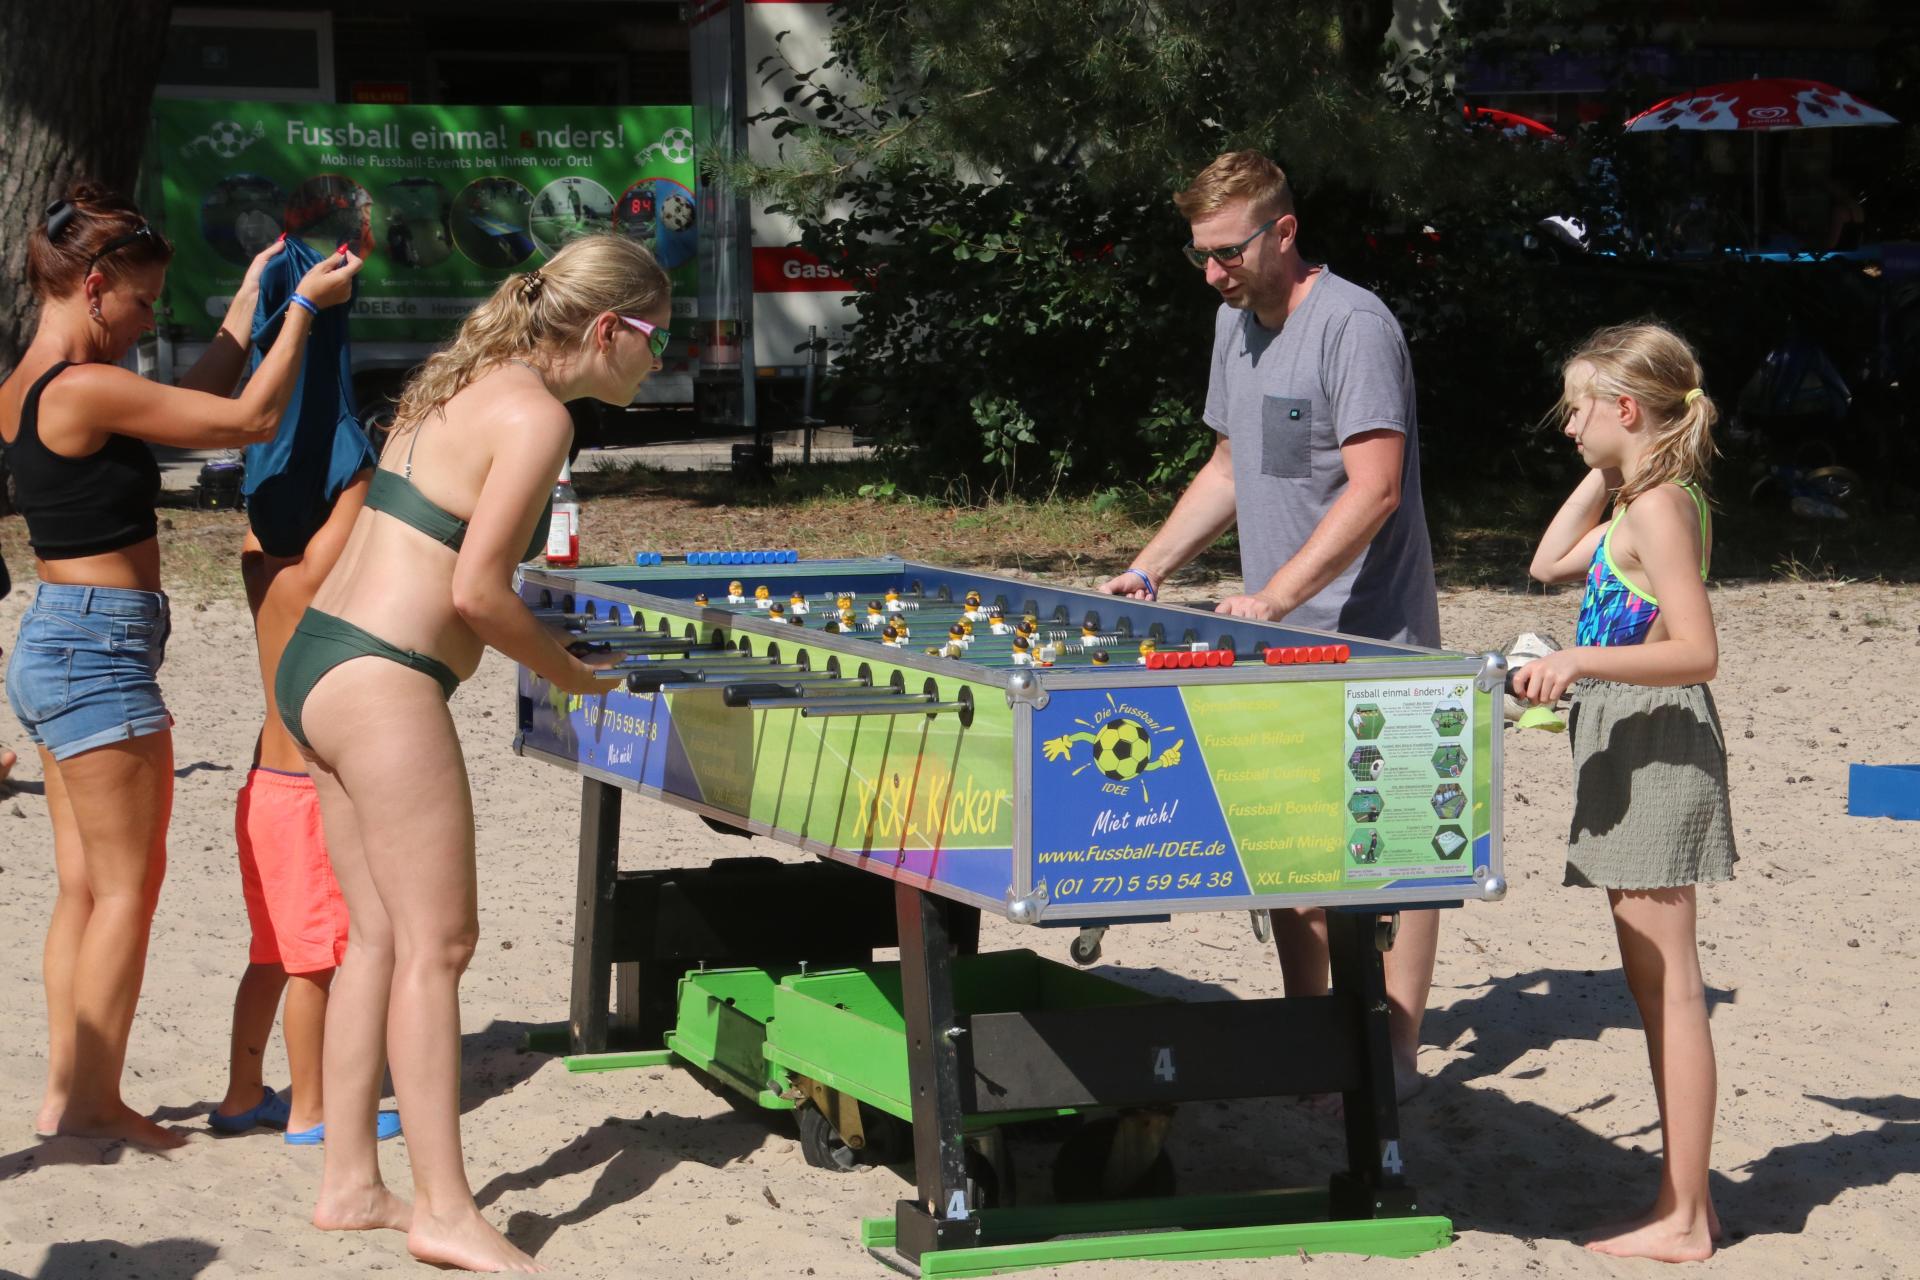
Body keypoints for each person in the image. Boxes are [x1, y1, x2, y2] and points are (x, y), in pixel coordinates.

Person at [286, 233, 667, 1272]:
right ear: (607, 329)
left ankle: (350, 1182)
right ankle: (444, 1210)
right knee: (440, 945)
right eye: (656, 337)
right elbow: (478, 593)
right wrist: (571, 674)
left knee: (376, 937)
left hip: (319, 659)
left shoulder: (463, 377)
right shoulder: (540, 415)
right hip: (384, 677)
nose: (659, 359)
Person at [0, 183, 360, 1149]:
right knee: (125, 890)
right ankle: (93, 1102)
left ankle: (67, 1091)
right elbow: (246, 421)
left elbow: (187, 402)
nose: (148, 322)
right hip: (98, 653)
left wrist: (250, 301)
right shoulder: (82, 388)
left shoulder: (33, 383)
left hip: (62, 643)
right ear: (94, 285)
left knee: (83, 889)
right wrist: (303, 309)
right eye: (143, 302)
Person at [1100, 150, 1442, 1100]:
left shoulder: (1354, 326)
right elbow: (1227, 466)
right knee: (1287, 844)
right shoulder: (1233, 323)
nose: (1213, 272)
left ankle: (1397, 1049)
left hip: (1374, 637)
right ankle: (1309, 1031)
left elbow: (1375, 490)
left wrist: (1276, 598)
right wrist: (1148, 568)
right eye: (1199, 254)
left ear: (1283, 232)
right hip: (1278, 638)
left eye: (1228, 251)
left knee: (1396, 851)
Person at [1514, 322, 1733, 1263]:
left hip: (1657, 749)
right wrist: (1609, 469)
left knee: (1671, 989)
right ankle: (1689, 1207)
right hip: (1627, 745)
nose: (1568, 426)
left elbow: (1698, 650)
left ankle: (1683, 1218)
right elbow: (1546, 562)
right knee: (1654, 987)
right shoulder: (1641, 502)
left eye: (1579, 410)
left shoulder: (1663, 511)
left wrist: (1577, 660)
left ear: (1628, 409)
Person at [211, 234, 388, 1147]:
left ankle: (242, 1094)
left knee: (274, 951)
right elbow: (354, 492)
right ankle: (313, 1110)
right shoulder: (316, 573)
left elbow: (274, 463)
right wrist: (360, 468)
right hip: (304, 794)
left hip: (260, 784)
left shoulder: (257, 562)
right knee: (320, 957)